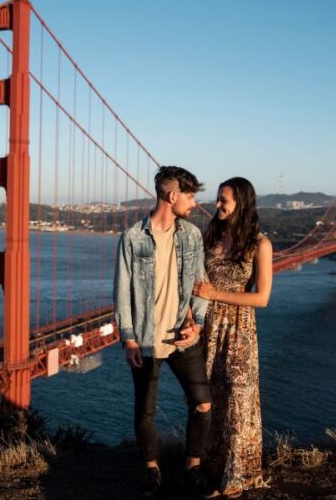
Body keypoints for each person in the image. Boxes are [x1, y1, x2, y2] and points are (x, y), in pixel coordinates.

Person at [113, 165, 215, 498]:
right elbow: (122, 292)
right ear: (172, 196)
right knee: (145, 412)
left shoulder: (192, 235)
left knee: (203, 404)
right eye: (190, 195)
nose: (195, 202)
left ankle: (193, 467)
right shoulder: (131, 238)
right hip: (145, 338)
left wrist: (197, 324)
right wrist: (128, 338)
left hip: (183, 338)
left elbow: (201, 285)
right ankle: (151, 471)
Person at [192, 177, 273, 498]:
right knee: (213, 402)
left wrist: (215, 293)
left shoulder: (260, 244)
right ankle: (213, 471)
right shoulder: (210, 236)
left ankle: (238, 478)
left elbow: (262, 298)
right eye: (217, 199)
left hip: (239, 331)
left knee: (239, 402)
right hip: (208, 329)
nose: (217, 205)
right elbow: (196, 285)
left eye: (224, 200)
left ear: (242, 202)